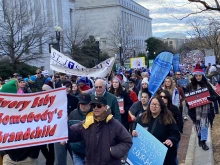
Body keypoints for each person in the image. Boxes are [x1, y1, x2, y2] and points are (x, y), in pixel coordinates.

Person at [68, 96, 133, 165]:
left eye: (99, 106)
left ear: (105, 107)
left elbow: (127, 141)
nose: (96, 108)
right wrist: (63, 124)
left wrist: (112, 151)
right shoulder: (87, 123)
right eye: (93, 106)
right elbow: (72, 133)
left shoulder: (115, 124)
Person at [0, 79, 41, 165]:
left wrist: (33, 155)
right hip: (9, 158)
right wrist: (4, 153)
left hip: (28, 158)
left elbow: (40, 132)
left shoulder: (31, 112)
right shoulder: (2, 113)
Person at [132, 96, 180, 165]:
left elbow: (175, 134)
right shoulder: (142, 117)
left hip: (163, 157)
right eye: (152, 104)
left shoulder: (168, 119)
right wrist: (134, 132)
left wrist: (171, 140)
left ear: (161, 107)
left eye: (156, 105)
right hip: (146, 156)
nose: (154, 106)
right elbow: (135, 126)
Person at [186, 64, 218, 150]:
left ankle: (204, 142)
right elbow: (187, 98)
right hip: (195, 110)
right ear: (194, 76)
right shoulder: (190, 86)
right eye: (196, 75)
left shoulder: (207, 85)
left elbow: (215, 96)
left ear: (202, 75)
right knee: (197, 126)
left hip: (205, 110)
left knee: (204, 125)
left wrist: (211, 98)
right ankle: (200, 138)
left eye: (200, 75)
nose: (198, 77)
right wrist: (188, 104)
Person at [68, 94, 92, 165]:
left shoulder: (95, 114)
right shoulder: (73, 114)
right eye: (81, 103)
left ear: (90, 103)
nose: (83, 106)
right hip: (77, 151)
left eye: (85, 104)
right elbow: (69, 131)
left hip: (92, 152)